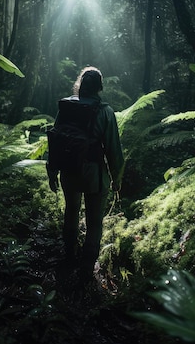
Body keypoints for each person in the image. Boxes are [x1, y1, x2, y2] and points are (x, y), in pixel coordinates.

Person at [47, 66, 124, 285]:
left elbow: (56, 140)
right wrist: (116, 177)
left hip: (68, 171)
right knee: (94, 222)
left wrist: (52, 170)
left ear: (80, 84)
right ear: (99, 87)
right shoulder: (105, 111)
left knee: (71, 211)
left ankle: (69, 255)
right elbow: (113, 149)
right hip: (93, 173)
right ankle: (87, 269)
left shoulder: (66, 107)